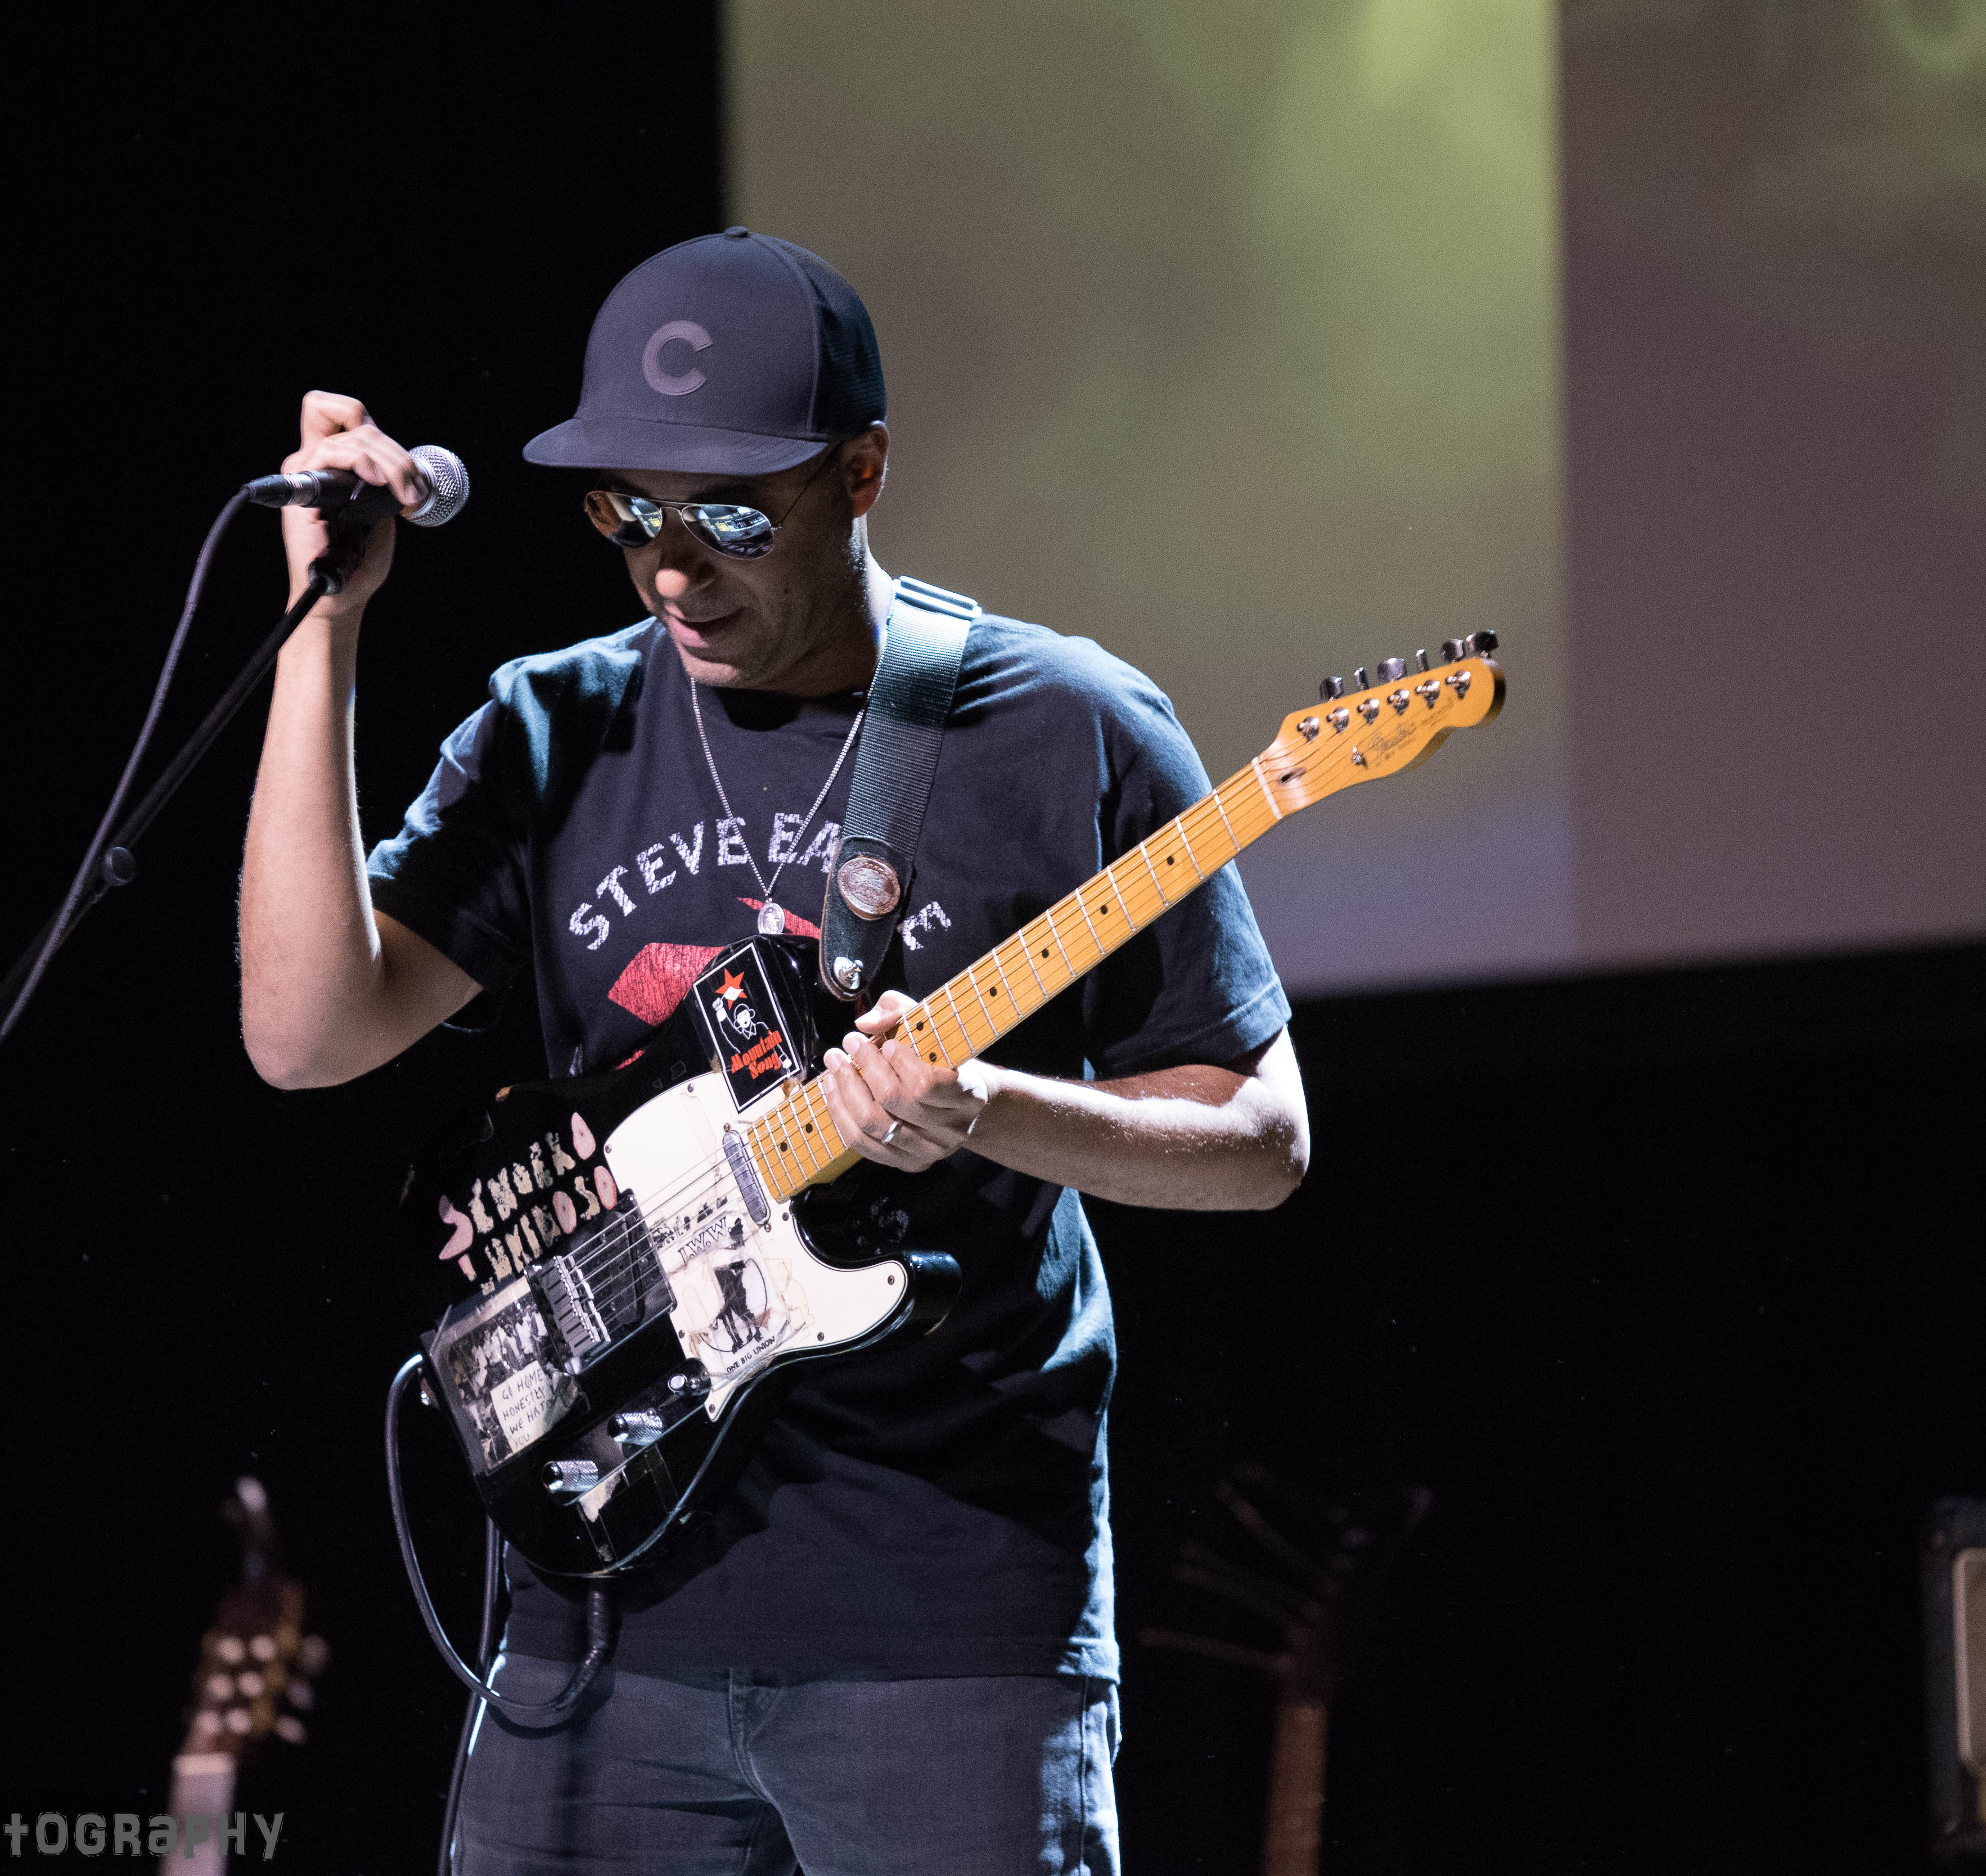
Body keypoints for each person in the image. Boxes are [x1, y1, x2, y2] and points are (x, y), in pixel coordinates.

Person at [239, 229, 1309, 1875]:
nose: (672, 571)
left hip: (948, 1625)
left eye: (731, 517)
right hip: (598, 1607)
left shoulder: (1064, 726)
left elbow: (1260, 1139)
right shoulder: (554, 726)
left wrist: (989, 1109)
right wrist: (323, 625)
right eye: (628, 513)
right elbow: (304, 1034)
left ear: (860, 473)